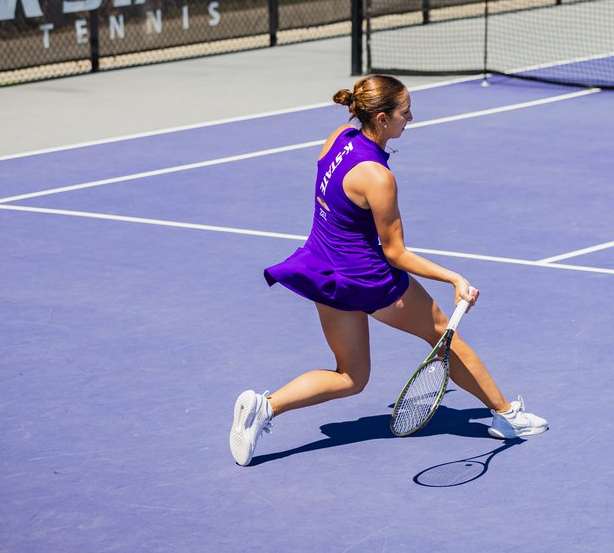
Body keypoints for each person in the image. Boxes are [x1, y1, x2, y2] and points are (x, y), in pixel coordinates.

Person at [229, 74, 548, 466]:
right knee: (442, 335)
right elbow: (395, 253)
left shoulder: (338, 138)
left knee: (351, 377)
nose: (410, 118)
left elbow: (334, 195)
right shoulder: (378, 178)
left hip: (324, 271)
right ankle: (507, 416)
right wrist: (454, 277)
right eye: (404, 112)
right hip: (367, 279)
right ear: (381, 119)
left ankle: (264, 407)